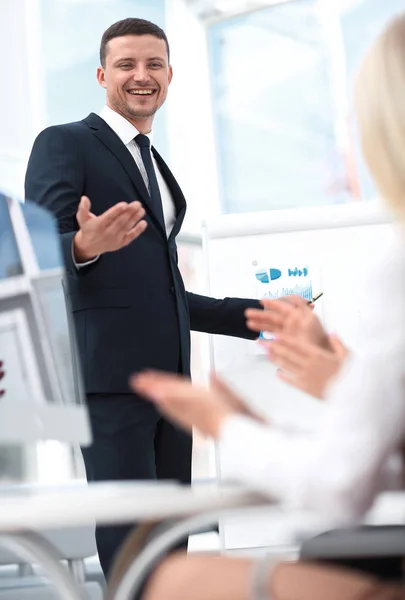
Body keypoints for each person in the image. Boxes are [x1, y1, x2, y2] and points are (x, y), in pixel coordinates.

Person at [127, 12, 405, 600]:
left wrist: (221, 424)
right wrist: (352, 383)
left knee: (174, 576)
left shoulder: (395, 270)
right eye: (128, 65)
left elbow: (337, 487)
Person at [24, 17, 261, 576]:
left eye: (154, 64)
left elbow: (164, 292)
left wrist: (258, 316)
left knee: (169, 556)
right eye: (127, 64)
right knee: (133, 553)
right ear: (103, 75)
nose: (141, 75)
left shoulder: (154, 164)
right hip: (109, 384)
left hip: (172, 387)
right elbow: (36, 257)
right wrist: (83, 244)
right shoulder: (66, 143)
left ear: (170, 75)